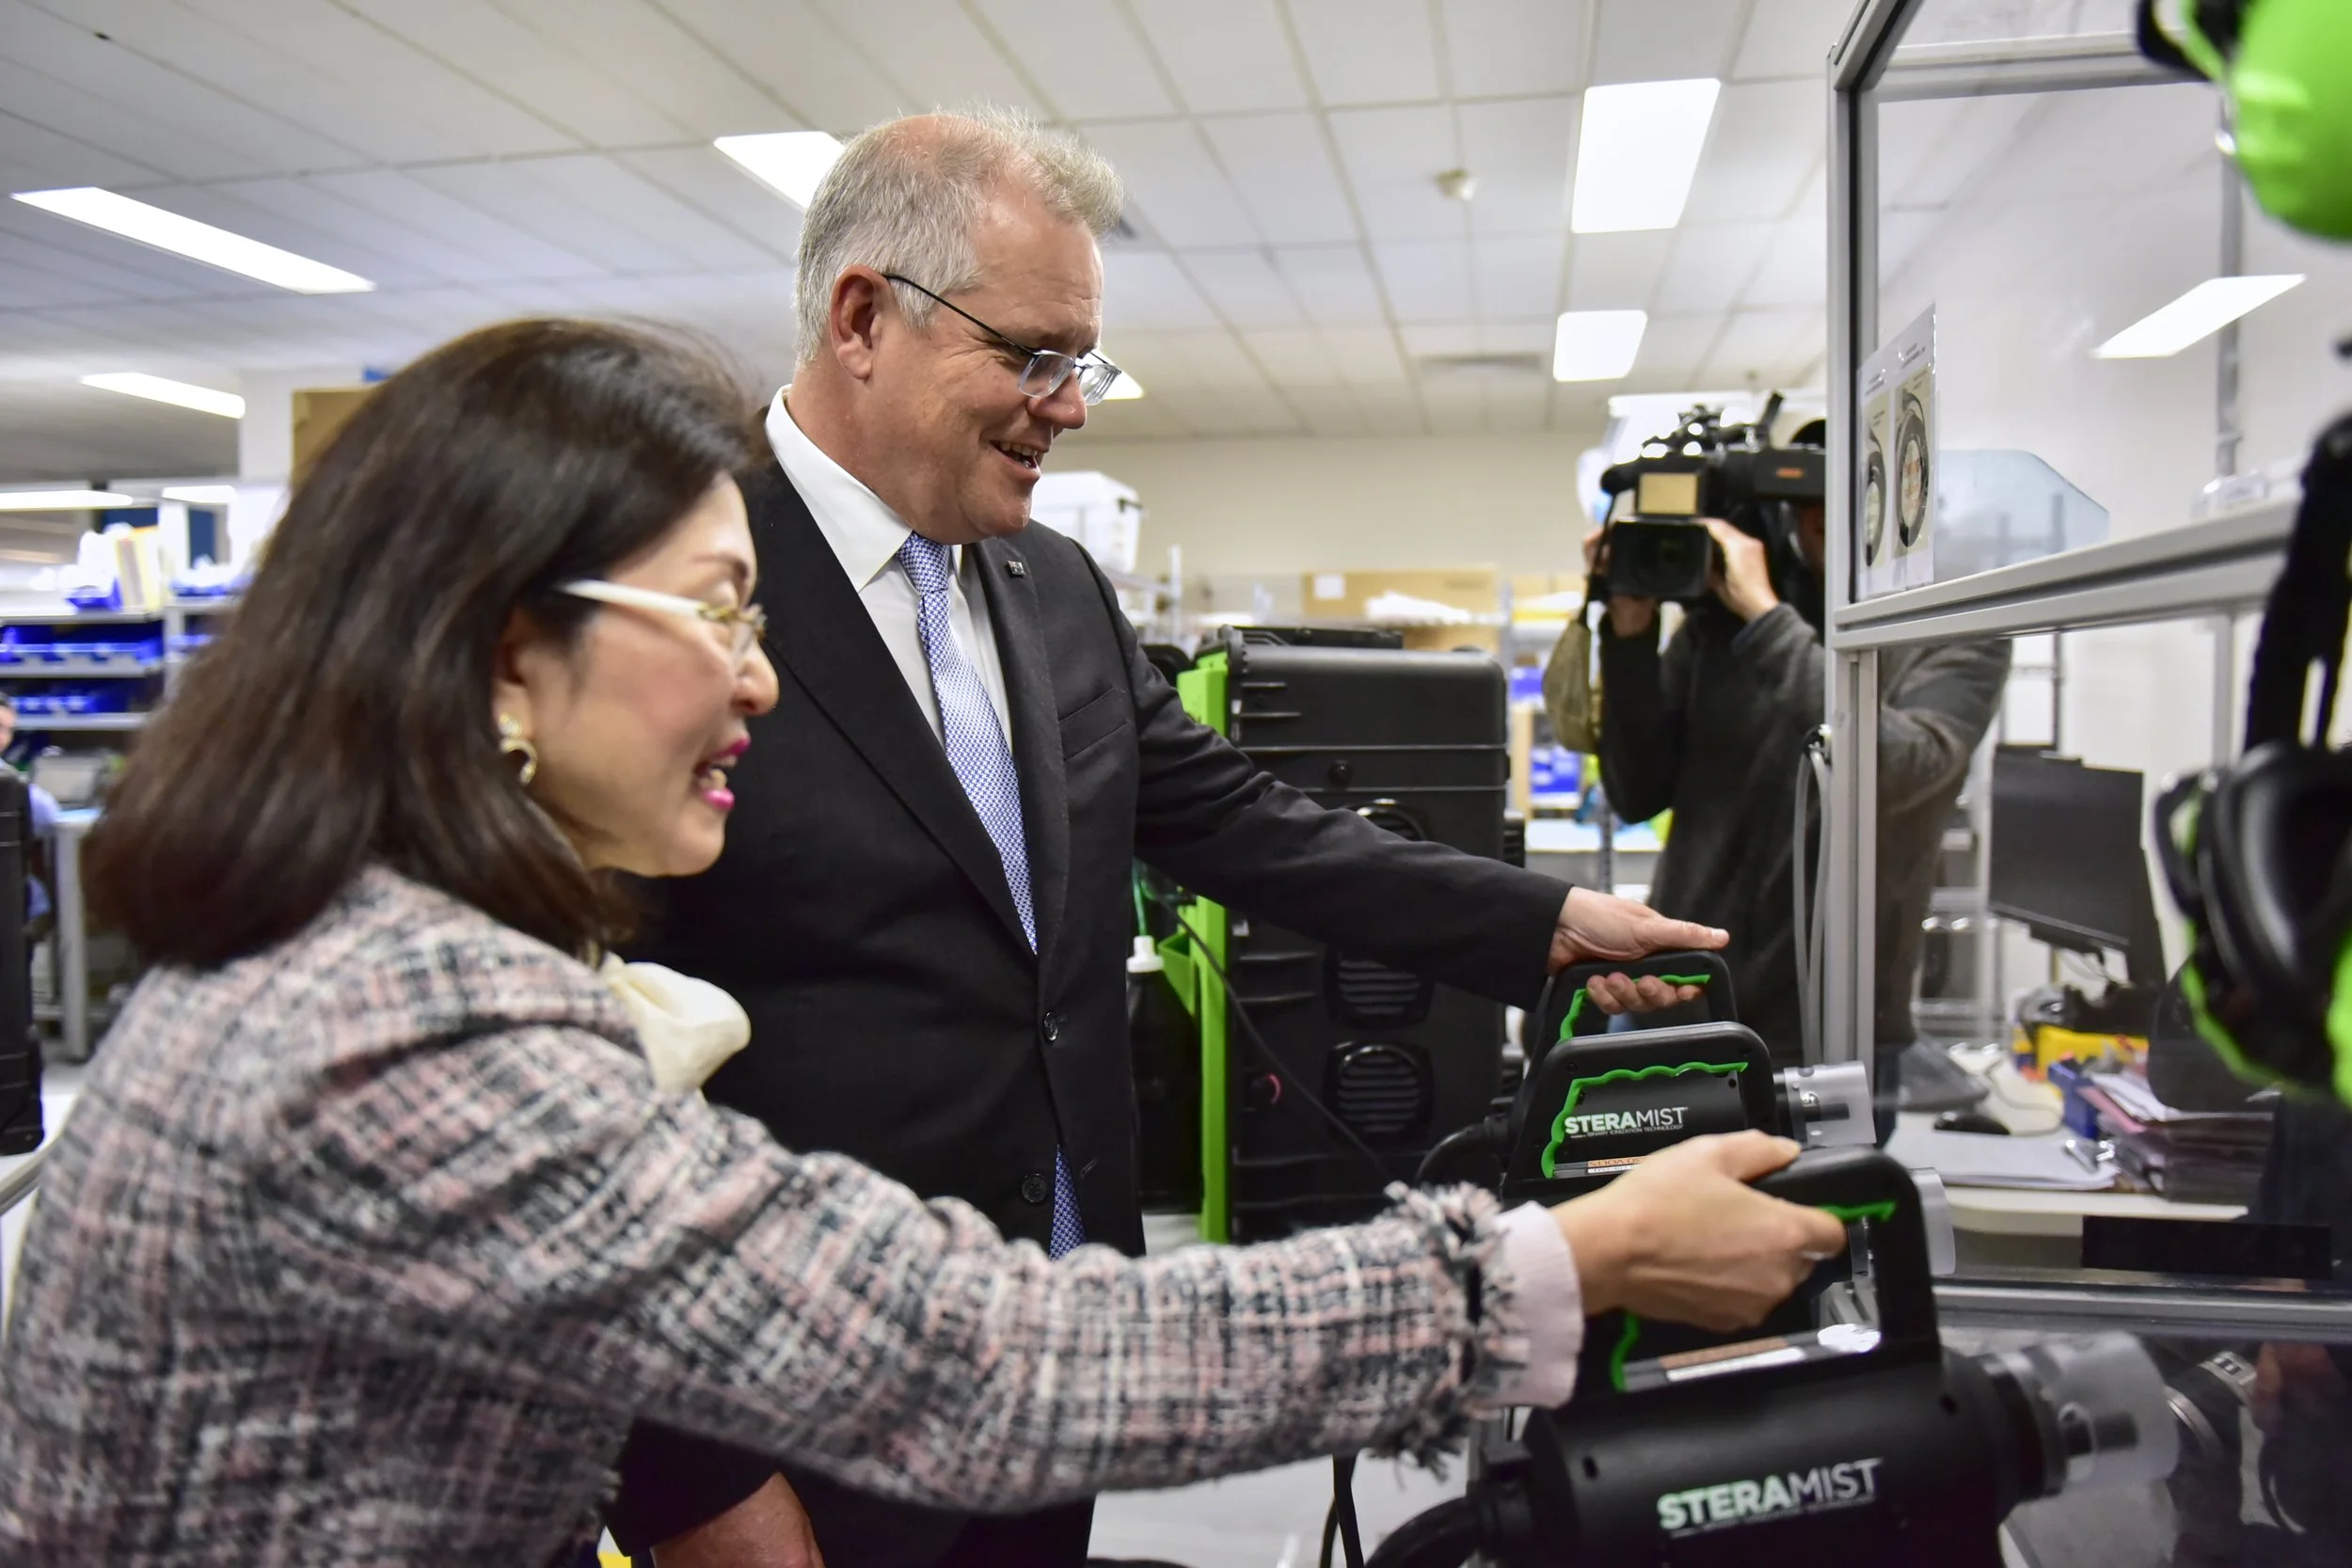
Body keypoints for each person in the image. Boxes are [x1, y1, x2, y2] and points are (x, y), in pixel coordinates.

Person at [0, 316, 1849, 1567]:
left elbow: (1225, 821)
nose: (760, 672)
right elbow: (985, 1357)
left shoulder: (361, 947)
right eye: (715, 611)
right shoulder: (400, 1032)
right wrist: (1557, 1258)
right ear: (501, 649)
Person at [607, 108, 1723, 1568]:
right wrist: (698, 1483)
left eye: (1083, 363)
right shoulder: (676, 574)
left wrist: (1543, 925)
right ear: (863, 315)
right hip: (805, 1397)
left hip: (1072, 1339)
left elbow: (1239, 822)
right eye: (1033, 355)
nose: (1068, 405)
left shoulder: (1050, 584)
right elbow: (599, 1105)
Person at [1589, 448, 2010, 1085]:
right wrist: (1629, 636)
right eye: (1813, 518)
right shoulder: (1721, 621)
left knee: (1832, 1190)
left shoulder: (1952, 629)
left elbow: (1903, 768)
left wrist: (1767, 621)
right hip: (1682, 1001)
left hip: (1839, 1023)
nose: (1831, 534)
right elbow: (1635, 792)